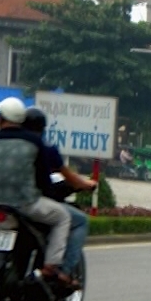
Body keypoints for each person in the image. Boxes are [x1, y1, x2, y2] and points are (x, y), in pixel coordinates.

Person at [0, 97, 71, 284]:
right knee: (63, 217)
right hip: (27, 204)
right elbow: (42, 178)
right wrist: (50, 195)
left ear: (2, 119)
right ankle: (50, 266)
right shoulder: (34, 142)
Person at [23, 107, 97, 280]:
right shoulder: (45, 148)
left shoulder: (12, 146)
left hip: (7, 200)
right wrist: (88, 184)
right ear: (43, 128)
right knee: (78, 221)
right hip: (35, 201)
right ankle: (63, 271)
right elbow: (71, 178)